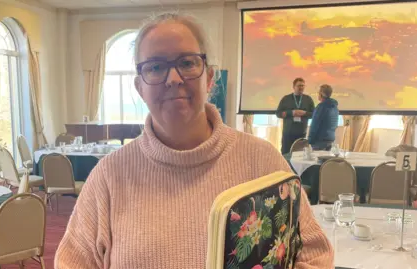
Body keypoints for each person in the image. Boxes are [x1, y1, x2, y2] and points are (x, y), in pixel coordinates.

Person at [55, 13, 333, 269]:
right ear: (140, 87)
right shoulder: (109, 176)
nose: (173, 78)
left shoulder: (262, 160)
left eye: (187, 63)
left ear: (209, 78)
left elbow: (315, 255)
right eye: (155, 67)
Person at [276, 78, 315, 154]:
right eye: (299, 85)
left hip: (301, 133)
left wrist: (304, 113)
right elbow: (278, 113)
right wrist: (291, 113)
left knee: (300, 155)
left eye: (303, 86)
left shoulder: (308, 99)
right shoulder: (286, 98)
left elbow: (314, 114)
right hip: (288, 133)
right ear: (294, 87)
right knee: (286, 154)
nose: (301, 87)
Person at [308, 84, 339, 150]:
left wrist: (310, 140)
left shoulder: (321, 107)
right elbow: (335, 125)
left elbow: (314, 125)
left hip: (319, 142)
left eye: (318, 93)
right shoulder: (335, 107)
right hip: (330, 140)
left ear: (321, 94)